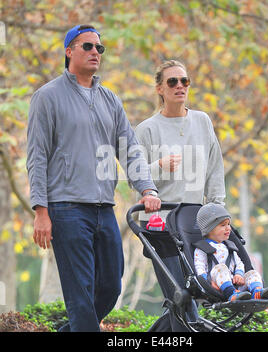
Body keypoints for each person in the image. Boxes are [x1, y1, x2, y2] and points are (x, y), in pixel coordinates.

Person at [26, 24, 161, 332]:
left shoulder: (110, 100)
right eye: (87, 46)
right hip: (65, 208)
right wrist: (41, 210)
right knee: (80, 294)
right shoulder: (46, 97)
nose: (95, 53)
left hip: (103, 207)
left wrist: (147, 187)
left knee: (111, 286)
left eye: (99, 48)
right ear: (68, 51)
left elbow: (130, 149)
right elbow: (36, 157)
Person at [135, 60, 226, 331]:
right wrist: (159, 167)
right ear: (160, 88)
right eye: (172, 81)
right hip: (160, 223)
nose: (179, 86)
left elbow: (214, 165)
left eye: (184, 81)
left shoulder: (202, 120)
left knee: (192, 293)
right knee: (180, 295)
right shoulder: (147, 129)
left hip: (194, 222)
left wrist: (218, 209)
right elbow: (135, 177)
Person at [194, 203, 268, 301]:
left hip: (236, 282)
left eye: (228, 224)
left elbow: (239, 263)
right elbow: (200, 269)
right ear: (209, 229)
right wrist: (208, 283)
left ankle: (257, 291)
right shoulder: (202, 249)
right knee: (221, 268)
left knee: (252, 272)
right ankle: (231, 294)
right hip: (218, 285)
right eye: (223, 225)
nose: (228, 228)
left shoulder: (229, 246)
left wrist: (239, 274)